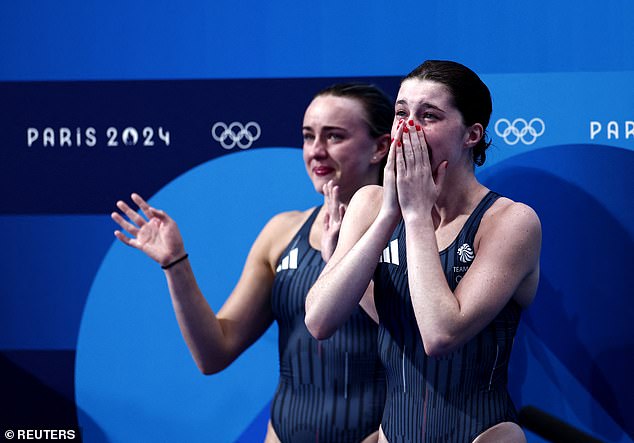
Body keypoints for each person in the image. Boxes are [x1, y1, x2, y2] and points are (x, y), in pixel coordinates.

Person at [111, 83, 393, 443]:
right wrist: (175, 264)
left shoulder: (407, 234)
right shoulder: (281, 232)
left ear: (380, 147)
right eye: (308, 137)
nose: (316, 152)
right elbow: (215, 351)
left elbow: (433, 349)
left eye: (334, 137)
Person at [305, 61, 542, 443]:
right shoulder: (370, 203)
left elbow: (441, 335)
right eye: (401, 113)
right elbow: (318, 321)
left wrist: (414, 215)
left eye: (428, 115)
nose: (407, 128)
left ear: (472, 134)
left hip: (482, 435)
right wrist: (388, 216)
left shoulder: (510, 222)